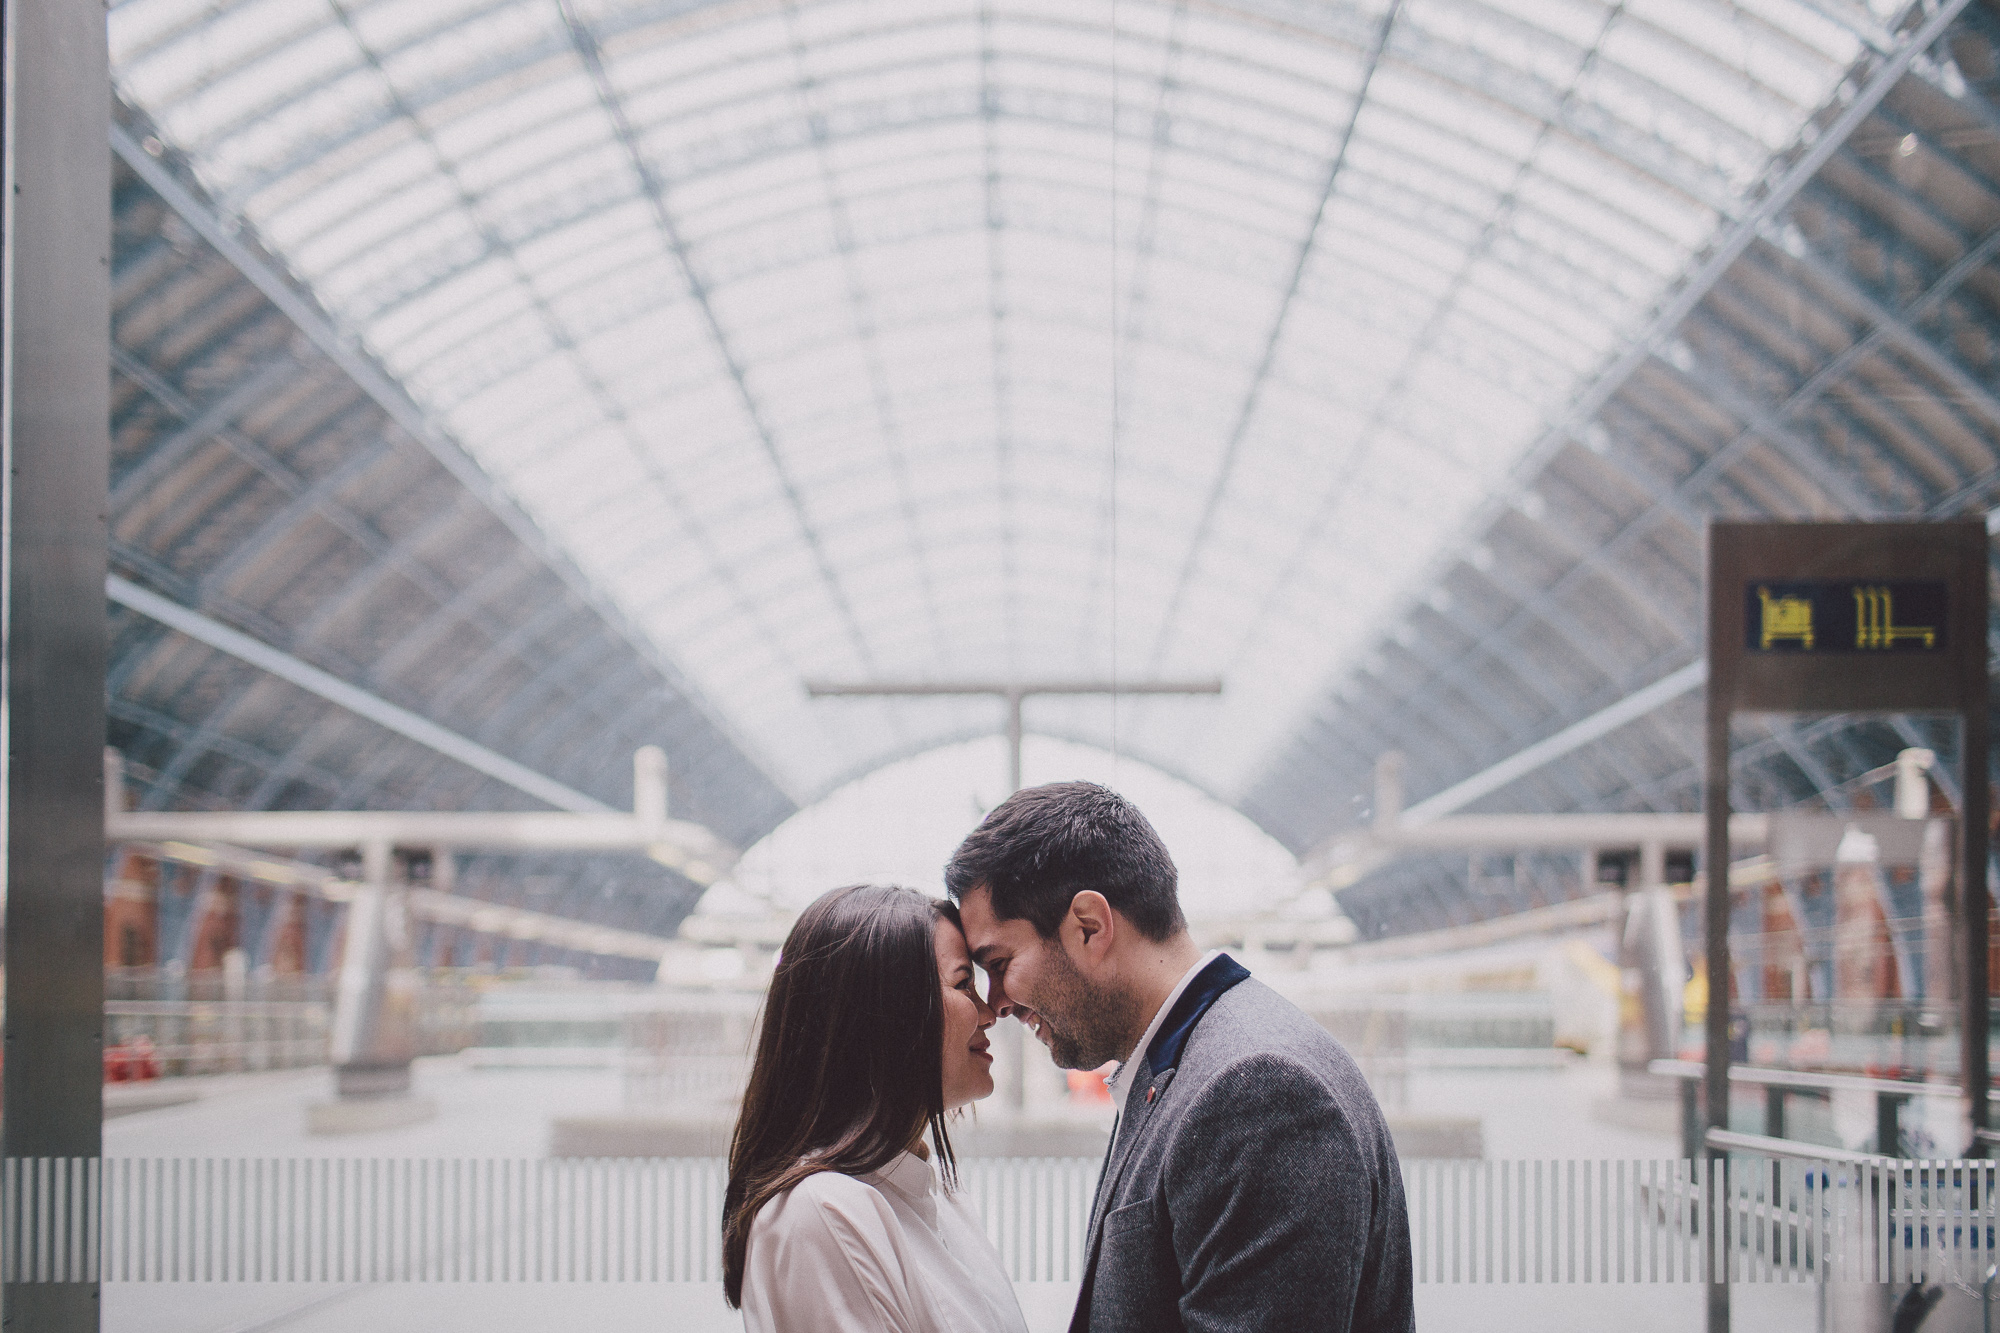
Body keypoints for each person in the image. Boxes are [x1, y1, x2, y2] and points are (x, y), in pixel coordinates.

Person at [947, 782, 1414, 1333]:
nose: (995, 1002)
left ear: (1089, 928)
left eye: (999, 963)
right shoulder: (1191, 1065)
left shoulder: (1256, 1091)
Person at [724, 883, 1028, 1333]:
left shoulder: (935, 1194)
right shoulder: (824, 1212)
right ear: (888, 1013)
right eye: (964, 983)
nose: (989, 1012)